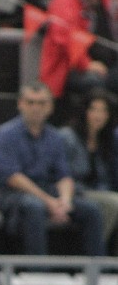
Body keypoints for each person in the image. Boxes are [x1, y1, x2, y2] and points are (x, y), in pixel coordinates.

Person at [0, 81, 105, 256]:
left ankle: (96, 268)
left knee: (91, 210)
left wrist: (65, 201)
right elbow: (12, 177)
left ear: (50, 107)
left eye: (42, 103)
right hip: (9, 193)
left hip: (47, 191)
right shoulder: (6, 134)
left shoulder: (55, 136)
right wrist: (49, 202)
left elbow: (64, 175)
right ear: (20, 104)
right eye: (31, 102)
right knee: (34, 206)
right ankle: (37, 268)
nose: (36, 108)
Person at [39, 0, 113, 100]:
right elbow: (64, 39)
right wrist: (87, 64)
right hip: (70, 66)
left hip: (106, 62)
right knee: (95, 82)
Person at [59, 88, 118, 256]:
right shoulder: (67, 137)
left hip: (99, 191)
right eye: (94, 109)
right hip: (75, 191)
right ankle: (93, 256)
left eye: (103, 111)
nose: (98, 115)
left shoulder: (107, 140)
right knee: (114, 203)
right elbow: (62, 173)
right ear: (84, 111)